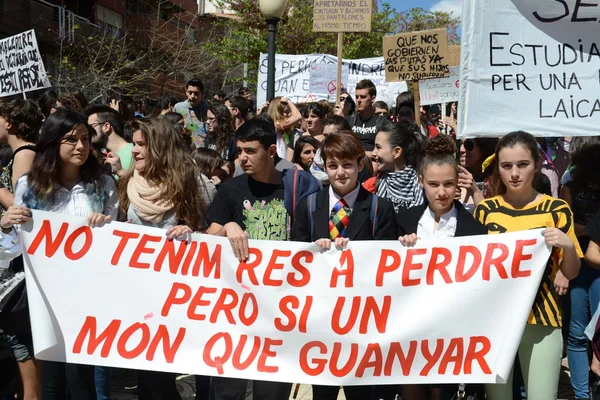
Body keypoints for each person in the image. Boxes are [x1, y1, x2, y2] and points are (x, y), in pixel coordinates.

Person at [0, 109, 118, 400]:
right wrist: (5, 226)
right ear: (53, 142)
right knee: (51, 382)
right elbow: (14, 249)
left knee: (82, 381)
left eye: (84, 139)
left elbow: (117, 242)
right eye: (70, 139)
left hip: (89, 298)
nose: (80, 146)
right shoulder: (29, 186)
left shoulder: (103, 185)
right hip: (46, 300)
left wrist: (107, 227)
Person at [206, 118, 318, 400]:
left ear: (270, 151)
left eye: (250, 151)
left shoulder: (296, 188)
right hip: (236, 310)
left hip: (280, 310)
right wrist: (228, 227)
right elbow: (209, 238)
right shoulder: (231, 189)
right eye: (239, 150)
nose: (242, 157)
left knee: (271, 391)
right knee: (228, 391)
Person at [475, 131, 582, 400]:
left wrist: (568, 246)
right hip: (493, 322)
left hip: (542, 322)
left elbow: (570, 272)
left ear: (536, 164)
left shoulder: (557, 210)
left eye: (522, 165)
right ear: (497, 167)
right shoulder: (484, 211)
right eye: (506, 166)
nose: (514, 173)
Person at [291, 131, 396, 400]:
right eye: (333, 165)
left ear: (361, 164)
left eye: (347, 165)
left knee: (361, 393)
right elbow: (297, 259)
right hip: (320, 319)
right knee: (322, 392)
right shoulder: (308, 205)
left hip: (362, 320)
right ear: (324, 167)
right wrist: (316, 255)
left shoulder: (378, 208)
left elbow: (385, 265)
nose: (340, 173)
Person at [118, 118, 211, 399]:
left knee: (163, 370)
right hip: (137, 293)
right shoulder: (126, 183)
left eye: (141, 144)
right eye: (134, 143)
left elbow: (211, 230)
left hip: (176, 296)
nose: (134, 151)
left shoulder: (191, 182)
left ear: (160, 147)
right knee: (146, 373)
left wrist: (192, 231)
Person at [396, 135, 487, 400]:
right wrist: (400, 249)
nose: (442, 192)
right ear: (421, 182)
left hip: (452, 328)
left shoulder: (475, 229)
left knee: (442, 393)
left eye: (448, 184)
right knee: (411, 389)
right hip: (410, 326)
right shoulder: (403, 221)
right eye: (434, 184)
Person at [0, 99, 43, 400]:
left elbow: (24, 209)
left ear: (10, 123)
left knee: (22, 345)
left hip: (20, 262)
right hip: (13, 255)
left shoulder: (24, 154)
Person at [559, 136, 600, 400]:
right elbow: (565, 220)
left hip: (598, 261)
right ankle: (582, 395)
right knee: (576, 331)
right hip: (576, 258)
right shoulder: (569, 178)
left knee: (598, 333)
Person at [364, 123, 425, 212]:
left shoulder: (422, 184)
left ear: (396, 152)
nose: (373, 153)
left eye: (378, 147)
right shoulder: (372, 186)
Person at [84, 104, 134, 179]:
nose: (87, 131)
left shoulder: (135, 153)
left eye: (90, 127)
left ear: (106, 127)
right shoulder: (98, 157)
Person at [346, 79, 390, 154]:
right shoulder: (349, 121)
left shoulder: (383, 123)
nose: (359, 100)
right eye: (357, 97)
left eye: (363, 97)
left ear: (372, 99)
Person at [173, 79, 210, 148]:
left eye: (196, 93)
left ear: (202, 94)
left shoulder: (208, 109)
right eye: (190, 93)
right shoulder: (179, 107)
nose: (192, 96)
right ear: (186, 92)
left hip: (202, 151)